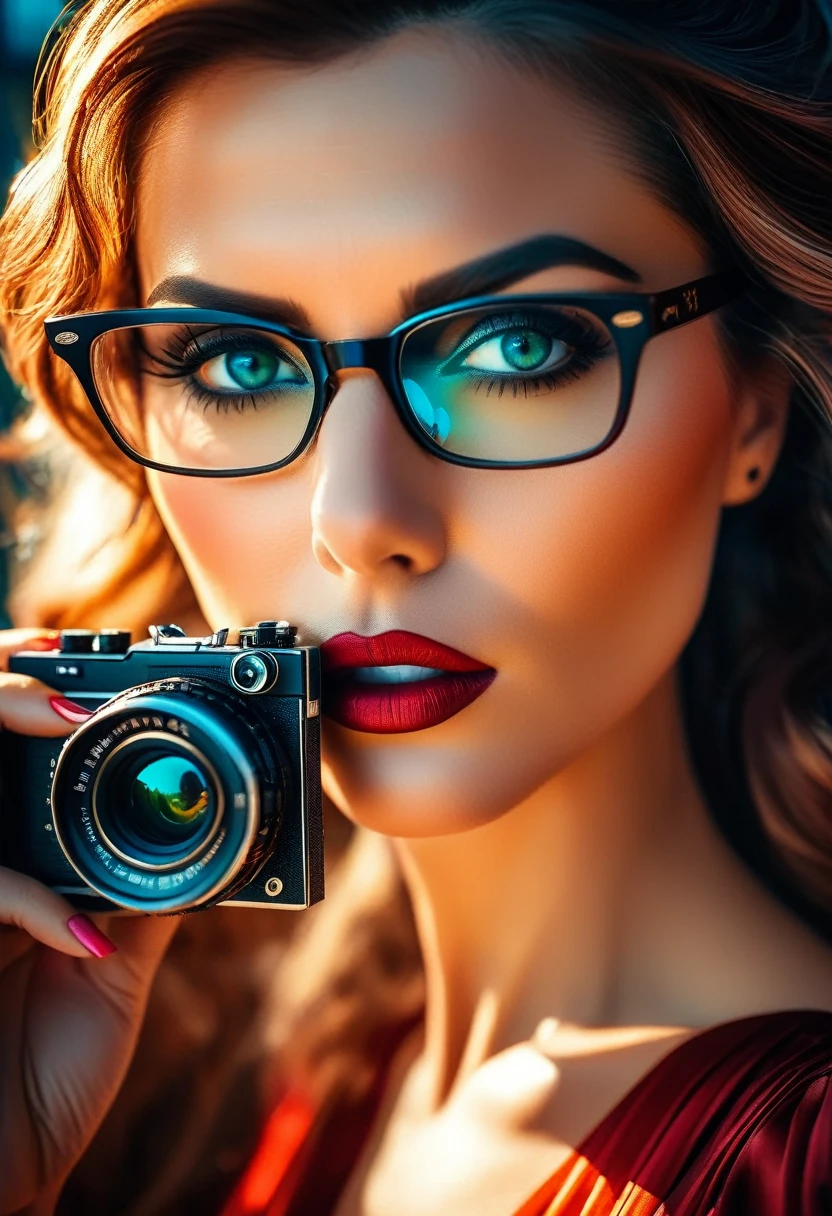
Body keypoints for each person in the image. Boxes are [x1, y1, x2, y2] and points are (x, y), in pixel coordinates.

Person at [1, 1, 832, 1213]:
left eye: (512, 349)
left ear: (752, 404)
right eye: (237, 363)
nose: (360, 516)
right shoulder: (250, 1085)